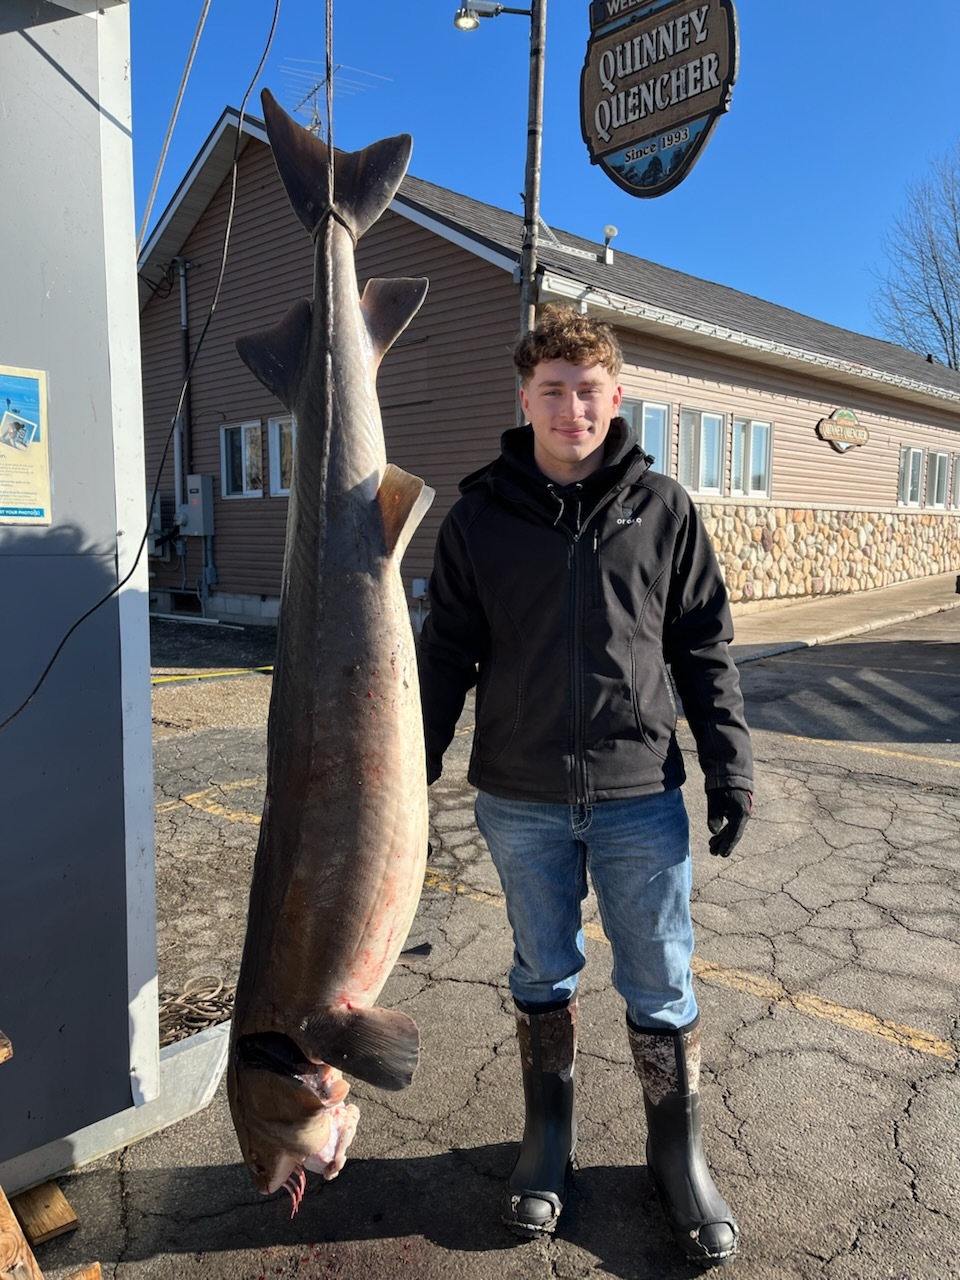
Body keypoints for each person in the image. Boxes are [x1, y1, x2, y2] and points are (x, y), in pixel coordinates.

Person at [417, 304, 754, 1264]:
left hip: (638, 793)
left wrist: (729, 763)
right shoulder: (479, 515)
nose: (572, 408)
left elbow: (703, 648)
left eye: (589, 391)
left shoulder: (665, 511)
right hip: (518, 796)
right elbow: (445, 653)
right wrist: (416, 766)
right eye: (553, 391)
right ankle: (548, 1144)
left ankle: (676, 1154)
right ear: (524, 399)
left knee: (660, 977)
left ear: (616, 397)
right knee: (541, 971)